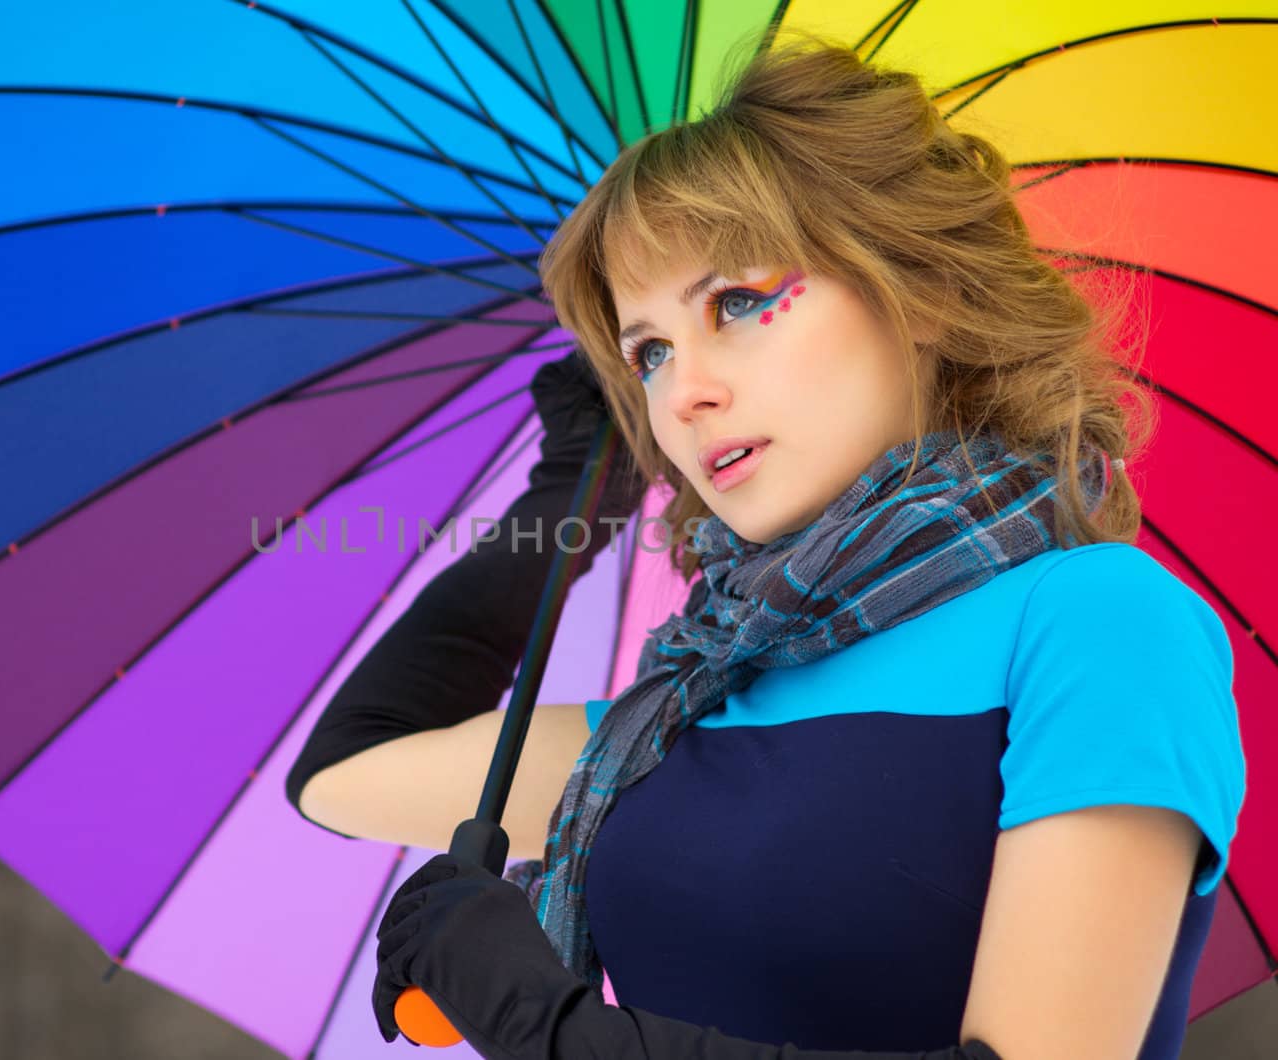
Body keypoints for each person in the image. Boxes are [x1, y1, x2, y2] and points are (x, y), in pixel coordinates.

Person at [288, 36, 1246, 1060]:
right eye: (648, 350)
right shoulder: (676, 709)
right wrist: (564, 498)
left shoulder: (1096, 621)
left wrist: (546, 1025)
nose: (683, 390)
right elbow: (346, 771)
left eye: (736, 302)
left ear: (915, 292)